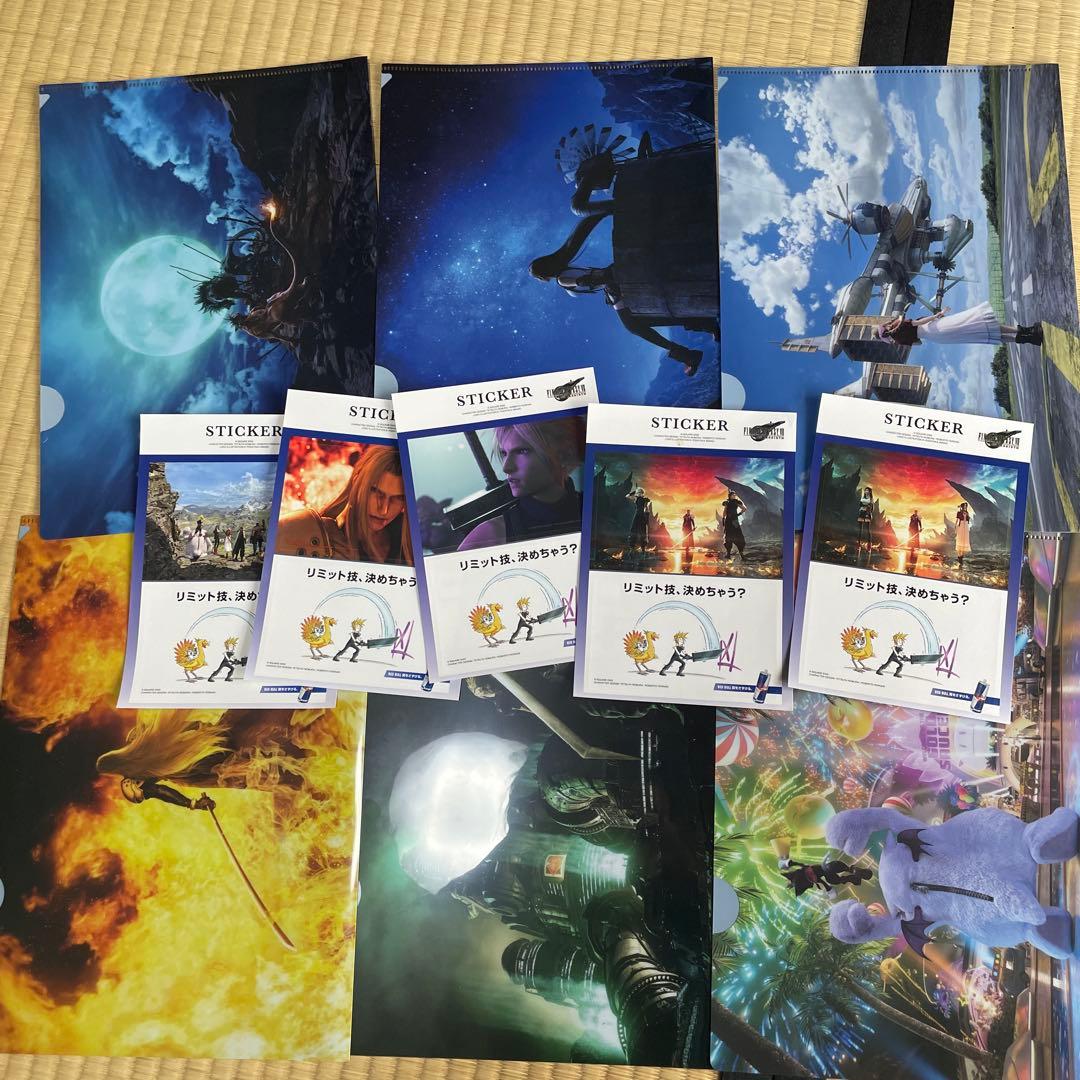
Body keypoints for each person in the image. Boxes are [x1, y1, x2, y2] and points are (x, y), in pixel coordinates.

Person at [458, 419, 585, 551]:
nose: (506, 467)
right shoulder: (490, 536)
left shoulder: (594, 510)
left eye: (522, 451)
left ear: (563, 454)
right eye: (504, 453)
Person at [276, 444, 412, 564]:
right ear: (356, 482)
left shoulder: (411, 540)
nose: (384, 510)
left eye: (398, 498)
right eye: (376, 492)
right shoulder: (315, 536)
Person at [876, 303, 1043, 347]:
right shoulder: (899, 323)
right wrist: (939, 314)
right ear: (886, 327)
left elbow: (918, 343)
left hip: (936, 337)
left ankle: (1028, 339)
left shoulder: (899, 341)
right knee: (981, 324)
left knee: (981, 333)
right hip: (934, 327)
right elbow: (920, 322)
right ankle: (1027, 330)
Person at [626, 486, 651, 557]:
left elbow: (646, 508)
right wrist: (633, 492)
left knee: (642, 532)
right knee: (633, 530)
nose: (640, 493)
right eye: (638, 492)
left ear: (643, 493)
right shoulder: (636, 498)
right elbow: (627, 496)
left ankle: (643, 549)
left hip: (642, 516)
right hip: (637, 515)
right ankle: (632, 548)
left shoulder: (645, 500)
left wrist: (647, 516)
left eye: (641, 492)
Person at [720, 490, 746, 559]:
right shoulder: (727, 503)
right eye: (733, 495)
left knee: (739, 536)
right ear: (730, 496)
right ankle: (728, 554)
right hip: (728, 521)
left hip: (734, 521)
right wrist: (723, 518)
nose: (734, 496)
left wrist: (738, 514)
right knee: (728, 536)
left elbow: (744, 508)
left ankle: (741, 553)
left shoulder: (736, 502)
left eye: (735, 495)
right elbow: (725, 512)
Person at [856, 486, 873, 562]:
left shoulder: (871, 499)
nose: (866, 491)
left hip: (867, 514)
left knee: (867, 530)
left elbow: (871, 508)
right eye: (865, 490)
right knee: (860, 529)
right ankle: (858, 545)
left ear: (870, 492)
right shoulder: (863, 497)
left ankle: (869, 546)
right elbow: (860, 505)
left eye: (867, 490)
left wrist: (866, 507)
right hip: (861, 513)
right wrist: (865, 505)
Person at [955, 501, 972, 569]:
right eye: (964, 506)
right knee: (960, 539)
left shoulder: (967, 513)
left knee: (965, 540)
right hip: (961, 525)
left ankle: (961, 557)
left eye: (966, 506)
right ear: (962, 507)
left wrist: (966, 516)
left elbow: (967, 520)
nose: (965, 507)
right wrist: (955, 526)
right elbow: (957, 520)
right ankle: (959, 558)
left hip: (966, 526)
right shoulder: (959, 512)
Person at [905, 509, 922, 574]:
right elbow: (910, 522)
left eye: (916, 512)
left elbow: (920, 522)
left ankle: (914, 547)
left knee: (915, 538)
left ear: (917, 512)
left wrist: (921, 527)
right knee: (911, 537)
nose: (915, 513)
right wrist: (909, 527)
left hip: (916, 528)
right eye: (915, 512)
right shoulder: (912, 516)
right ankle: (911, 547)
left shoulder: (918, 517)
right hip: (912, 528)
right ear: (914, 512)